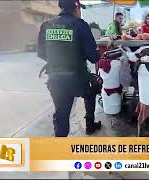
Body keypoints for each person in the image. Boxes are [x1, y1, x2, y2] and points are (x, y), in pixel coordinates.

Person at [37, 0, 101, 137]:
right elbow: (94, 57)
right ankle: (90, 125)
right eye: (80, 9)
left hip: (55, 79)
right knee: (94, 87)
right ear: (76, 8)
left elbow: (42, 54)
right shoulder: (80, 25)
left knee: (61, 114)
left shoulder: (46, 25)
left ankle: (60, 143)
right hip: (78, 79)